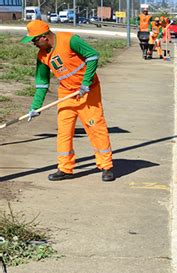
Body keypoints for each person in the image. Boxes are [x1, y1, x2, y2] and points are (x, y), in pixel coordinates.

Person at [21, 20, 115, 182]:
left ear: (44, 37)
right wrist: (36, 107)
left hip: (88, 92)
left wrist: (85, 83)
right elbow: (42, 83)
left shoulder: (70, 40)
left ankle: (106, 166)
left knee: (95, 127)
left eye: (34, 40)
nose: (33, 44)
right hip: (66, 93)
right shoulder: (42, 56)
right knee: (64, 131)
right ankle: (65, 168)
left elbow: (92, 56)